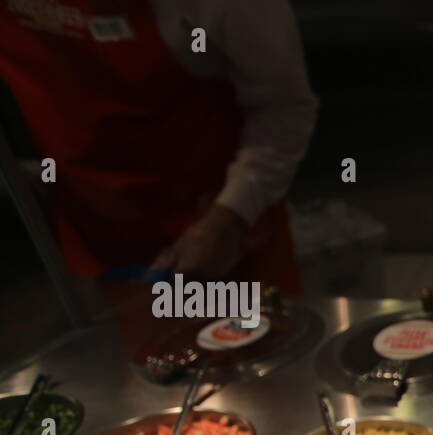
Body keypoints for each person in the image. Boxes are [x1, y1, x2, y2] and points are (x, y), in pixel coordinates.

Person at [0, 0, 318, 291]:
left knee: (260, 344)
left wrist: (230, 218)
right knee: (128, 348)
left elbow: (283, 108)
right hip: (92, 231)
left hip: (222, 231)